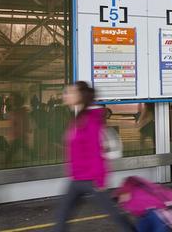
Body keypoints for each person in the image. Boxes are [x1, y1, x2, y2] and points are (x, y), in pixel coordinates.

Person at [53, 81, 134, 232]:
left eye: (70, 92)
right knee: (62, 216)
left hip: (92, 179)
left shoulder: (90, 120)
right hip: (77, 178)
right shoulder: (78, 118)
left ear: (80, 96)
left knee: (114, 214)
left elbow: (96, 150)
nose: (66, 95)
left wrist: (100, 179)